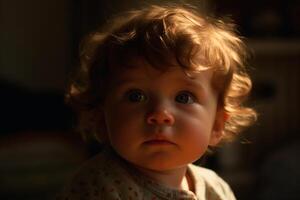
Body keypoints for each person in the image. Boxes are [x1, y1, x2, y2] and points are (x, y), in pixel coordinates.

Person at [58, 3, 256, 200]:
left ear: (216, 125)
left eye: (183, 97)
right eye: (136, 96)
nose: (160, 114)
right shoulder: (98, 185)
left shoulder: (216, 189)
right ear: (102, 118)